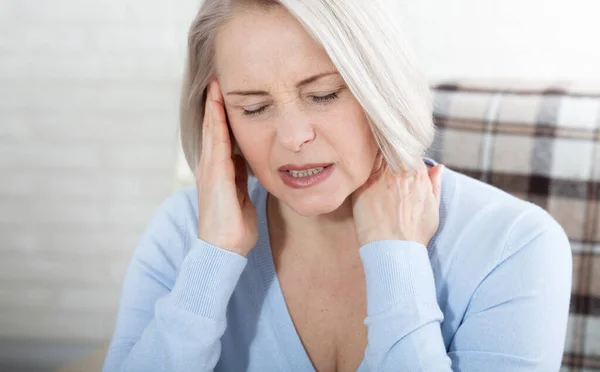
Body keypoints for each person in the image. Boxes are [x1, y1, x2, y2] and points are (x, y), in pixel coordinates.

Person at [103, 0, 572, 371]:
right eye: (253, 108)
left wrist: (396, 259)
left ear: (381, 89)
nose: (292, 137)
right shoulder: (185, 231)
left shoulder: (515, 244)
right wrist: (212, 258)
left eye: (322, 95)